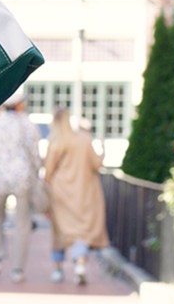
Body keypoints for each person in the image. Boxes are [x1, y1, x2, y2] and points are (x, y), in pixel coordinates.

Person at [0, 93, 42, 283]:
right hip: (22, 178)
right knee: (22, 223)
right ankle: (17, 269)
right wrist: (36, 172)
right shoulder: (28, 125)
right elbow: (35, 155)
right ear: (20, 105)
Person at [43, 108, 109, 285]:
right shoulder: (83, 140)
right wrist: (102, 150)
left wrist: (46, 193)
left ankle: (57, 269)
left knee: (60, 232)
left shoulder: (55, 142)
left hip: (60, 194)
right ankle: (80, 264)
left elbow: (48, 172)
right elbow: (96, 164)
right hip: (84, 192)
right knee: (82, 230)